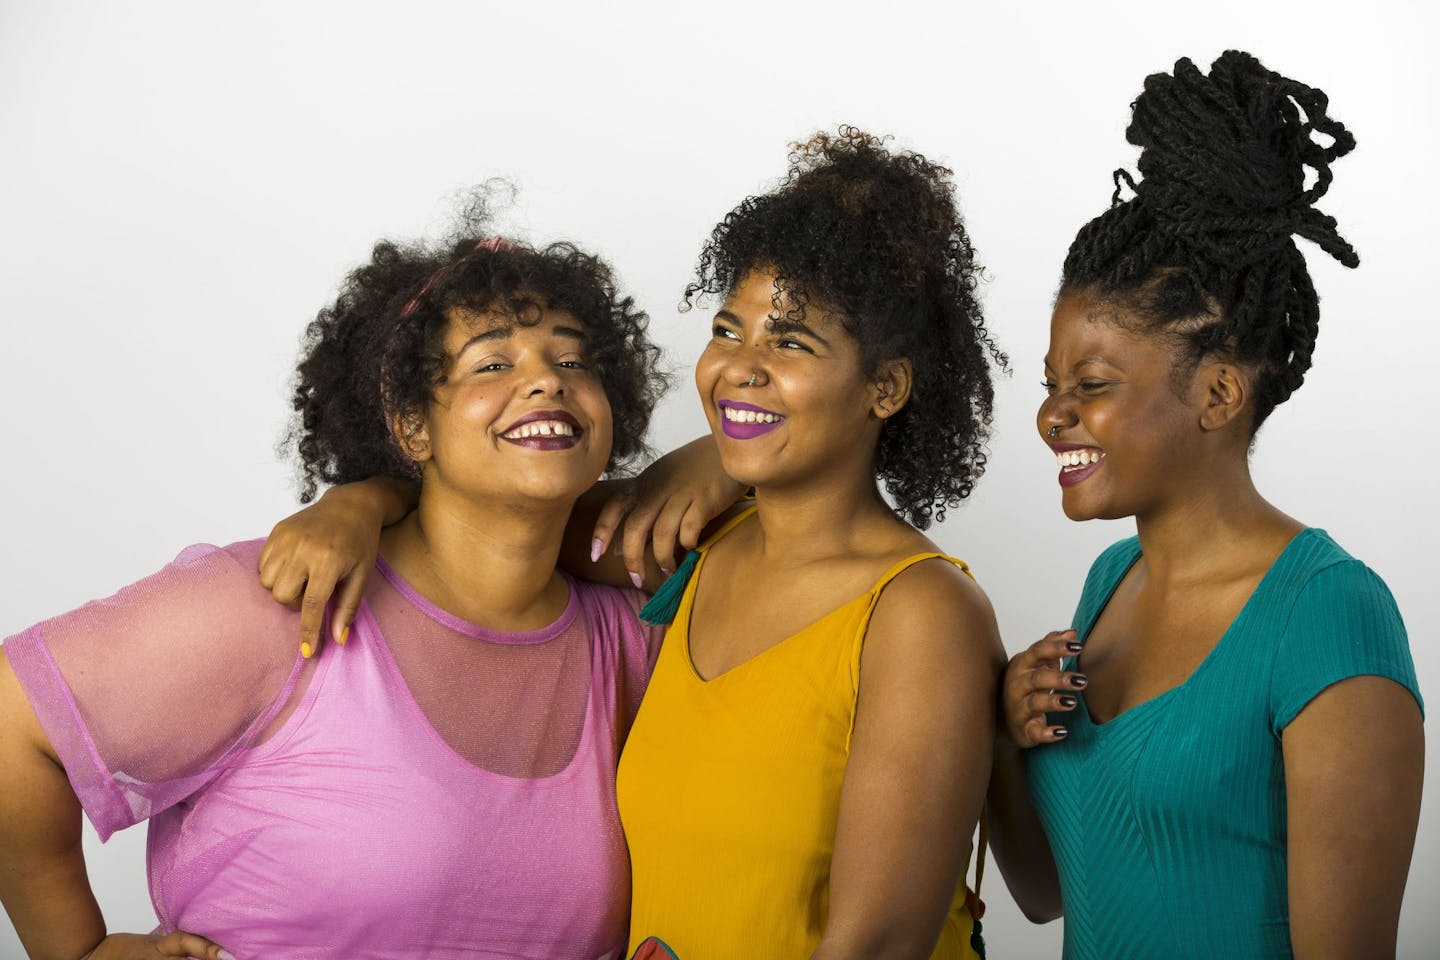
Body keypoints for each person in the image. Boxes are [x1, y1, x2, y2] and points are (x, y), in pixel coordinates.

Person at [263, 128, 1007, 959]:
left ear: (886, 387)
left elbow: (875, 947)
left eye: (791, 343)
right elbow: (493, 499)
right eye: (729, 331)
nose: (740, 368)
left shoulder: (921, 613)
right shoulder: (690, 547)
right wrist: (359, 502)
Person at [0, 210, 669, 958]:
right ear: (412, 426)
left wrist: (712, 466)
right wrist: (74, 952)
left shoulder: (633, 637)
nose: (546, 379)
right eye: (492, 364)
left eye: (575, 363)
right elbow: (10, 722)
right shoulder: (287, 602)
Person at [993, 51, 1425, 958]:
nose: (1053, 414)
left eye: (1093, 383)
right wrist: (1001, 736)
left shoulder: (1329, 613)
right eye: (1051, 383)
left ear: (1219, 395)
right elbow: (1048, 895)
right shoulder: (1112, 584)